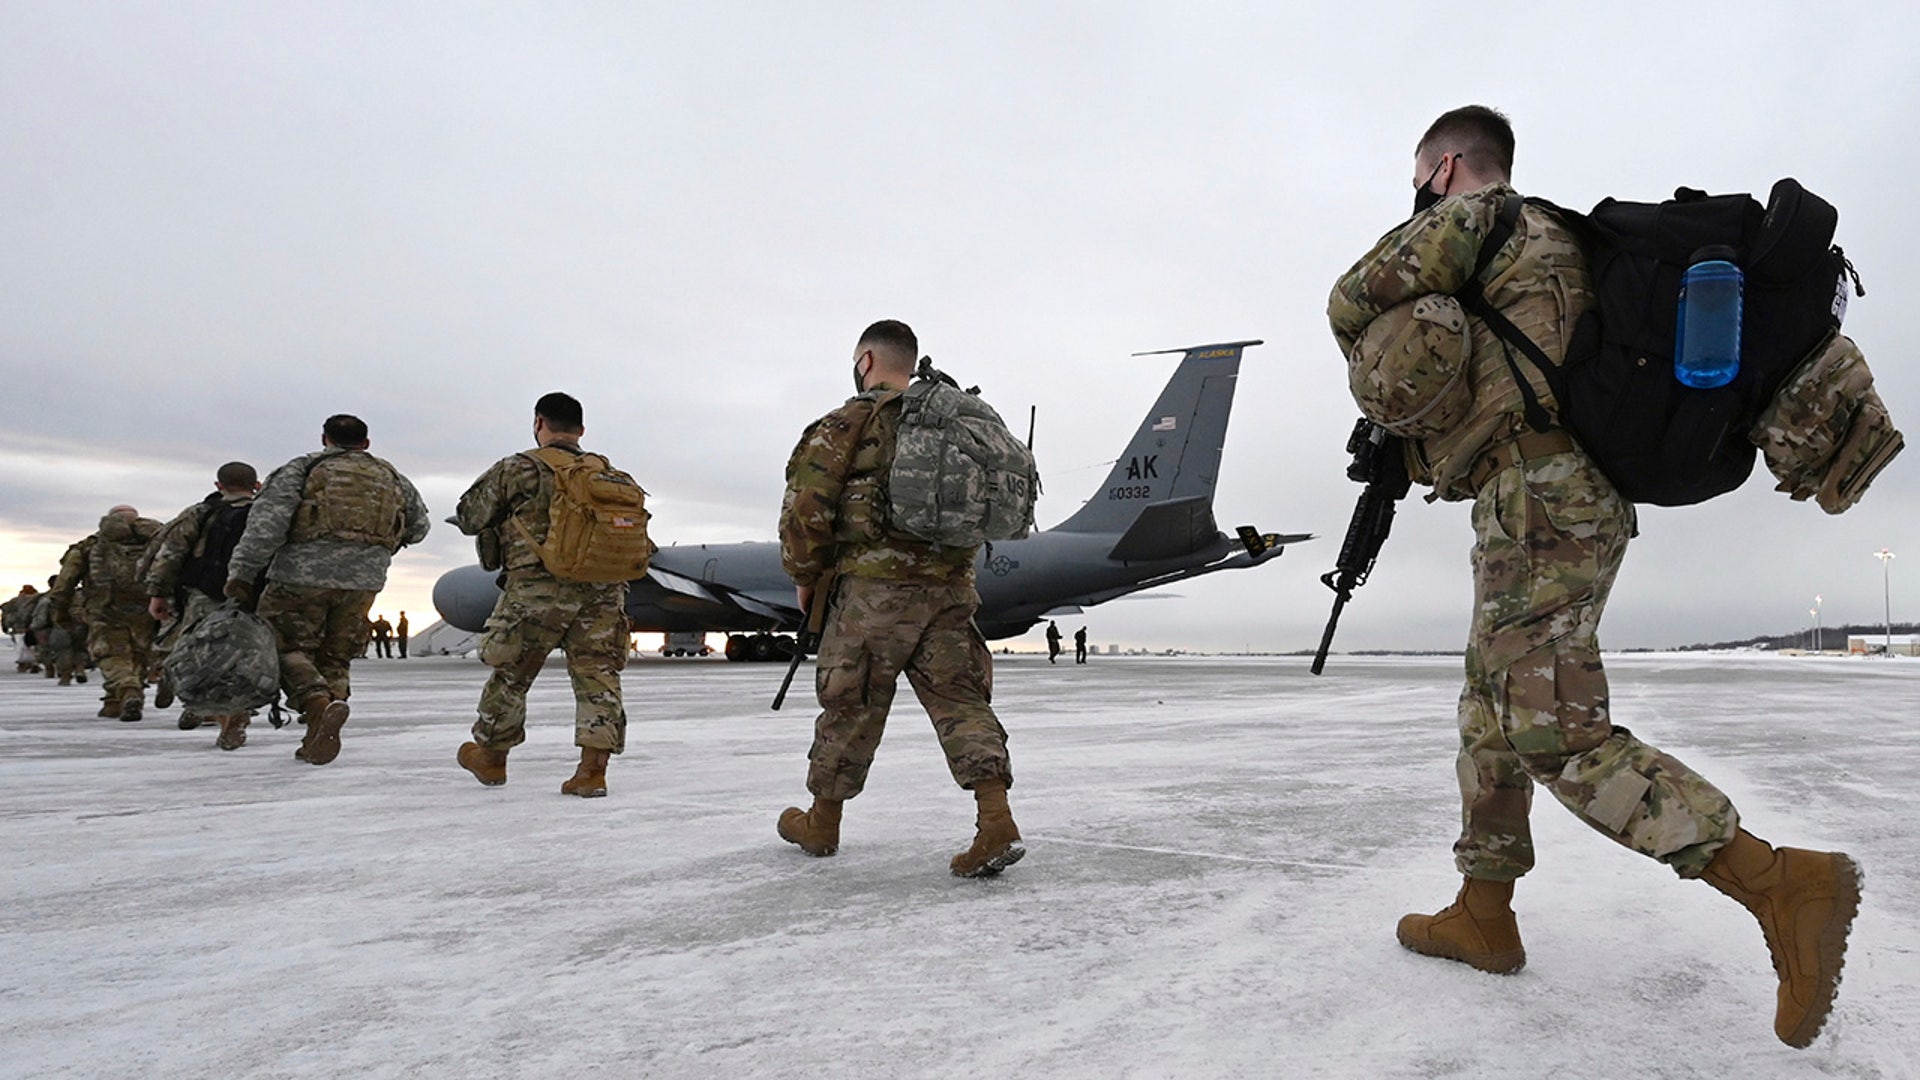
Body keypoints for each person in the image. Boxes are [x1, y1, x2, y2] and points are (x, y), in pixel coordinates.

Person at [1326, 105, 1860, 1049]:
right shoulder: (1554, 246)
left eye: (1420, 175)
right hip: (1544, 492)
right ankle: (1483, 911)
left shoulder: (1478, 218)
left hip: (1539, 493)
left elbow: (1350, 296)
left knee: (1555, 731)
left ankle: (1779, 882)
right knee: (1491, 704)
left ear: (1447, 166)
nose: (1415, 192)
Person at [775, 319, 1024, 878]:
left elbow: (805, 511)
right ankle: (995, 818)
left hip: (874, 595)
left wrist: (805, 575)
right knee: (961, 701)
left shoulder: (846, 423)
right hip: (951, 588)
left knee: (851, 702)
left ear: (865, 361)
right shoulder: (952, 420)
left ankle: (822, 822)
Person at [453, 392, 635, 796]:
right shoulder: (609, 473)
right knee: (598, 677)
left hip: (538, 589)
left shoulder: (518, 468)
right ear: (581, 431)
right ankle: (592, 773)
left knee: (512, 674)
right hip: (603, 592)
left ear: (539, 423)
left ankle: (492, 758)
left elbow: (469, 516)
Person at [225, 414, 430, 765]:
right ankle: (318, 731)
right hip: (364, 580)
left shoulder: (302, 469)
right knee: (336, 656)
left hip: (300, 575)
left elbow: (267, 525)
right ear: (366, 444)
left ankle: (317, 704)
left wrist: (242, 573)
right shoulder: (391, 475)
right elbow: (419, 526)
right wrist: (378, 548)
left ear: (325, 439)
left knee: (283, 646)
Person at [144, 462, 261, 749]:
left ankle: (222, 713)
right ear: (256, 485)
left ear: (218, 486)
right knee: (247, 655)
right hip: (255, 594)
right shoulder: (268, 513)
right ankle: (237, 707)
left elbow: (170, 554)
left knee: (205, 656)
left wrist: (158, 594)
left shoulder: (201, 513)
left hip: (205, 593)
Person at [51, 507, 163, 720]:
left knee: (111, 654)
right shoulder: (155, 544)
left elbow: (64, 583)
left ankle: (127, 688)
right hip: (148, 608)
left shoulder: (90, 546)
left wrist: (61, 611)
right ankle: (114, 702)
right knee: (138, 652)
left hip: (105, 608)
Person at [4, 585, 40, 672]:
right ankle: (33, 663)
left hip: (17, 628)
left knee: (20, 647)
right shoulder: (36, 600)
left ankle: (23, 664)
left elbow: (5, 611)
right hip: (31, 628)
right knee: (32, 647)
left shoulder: (14, 601)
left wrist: (6, 626)